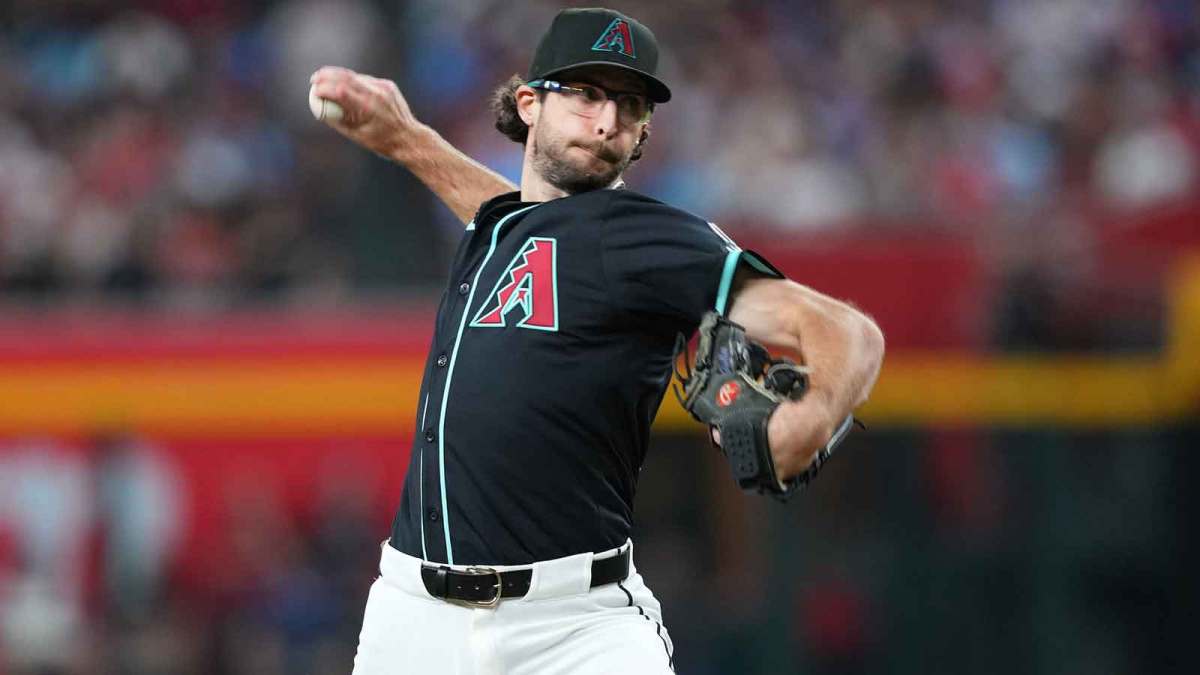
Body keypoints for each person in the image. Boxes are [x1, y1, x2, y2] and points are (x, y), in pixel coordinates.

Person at [310, 8, 884, 674]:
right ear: (528, 102)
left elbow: (850, 332)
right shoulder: (507, 228)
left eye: (629, 105)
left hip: (575, 629)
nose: (607, 121)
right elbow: (520, 220)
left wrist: (813, 414)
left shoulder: (643, 238)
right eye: (585, 94)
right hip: (413, 615)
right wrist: (405, 139)